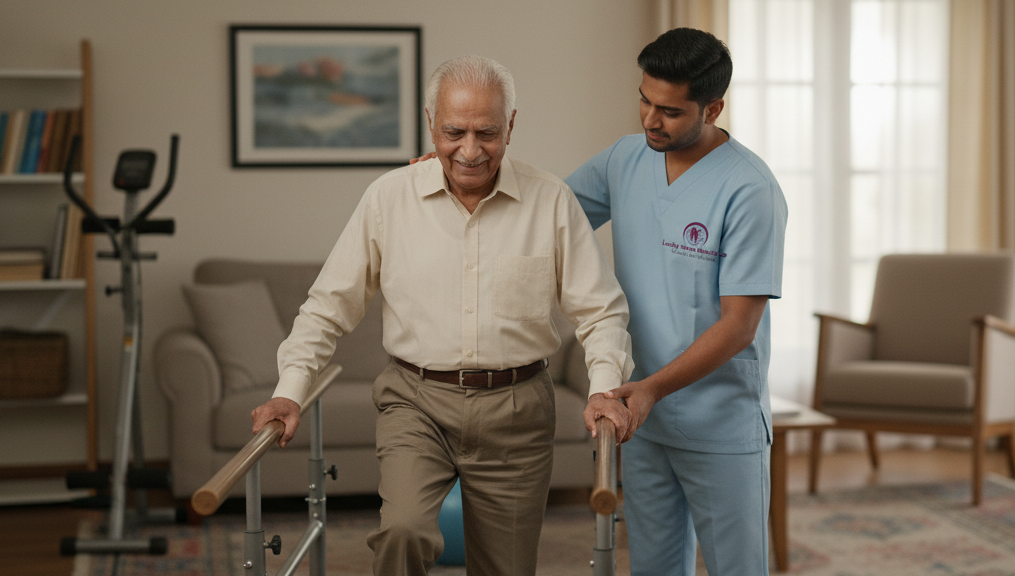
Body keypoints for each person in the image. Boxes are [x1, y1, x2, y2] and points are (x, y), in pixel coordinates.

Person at [250, 55, 635, 576]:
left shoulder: (550, 201)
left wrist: (604, 389)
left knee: (506, 569)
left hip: (518, 409)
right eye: (454, 132)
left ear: (511, 126)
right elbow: (328, 306)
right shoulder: (389, 198)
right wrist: (290, 390)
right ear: (431, 123)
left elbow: (601, 310)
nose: (470, 151)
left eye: (487, 133)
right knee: (403, 531)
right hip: (416, 401)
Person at [567, 28, 787, 576]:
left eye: (669, 111)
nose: (650, 119)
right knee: (655, 568)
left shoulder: (750, 189)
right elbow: (544, 214)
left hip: (719, 424)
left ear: (712, 108)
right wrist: (462, 173)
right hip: (643, 419)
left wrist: (651, 389)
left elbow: (739, 326)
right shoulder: (624, 159)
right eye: (644, 100)